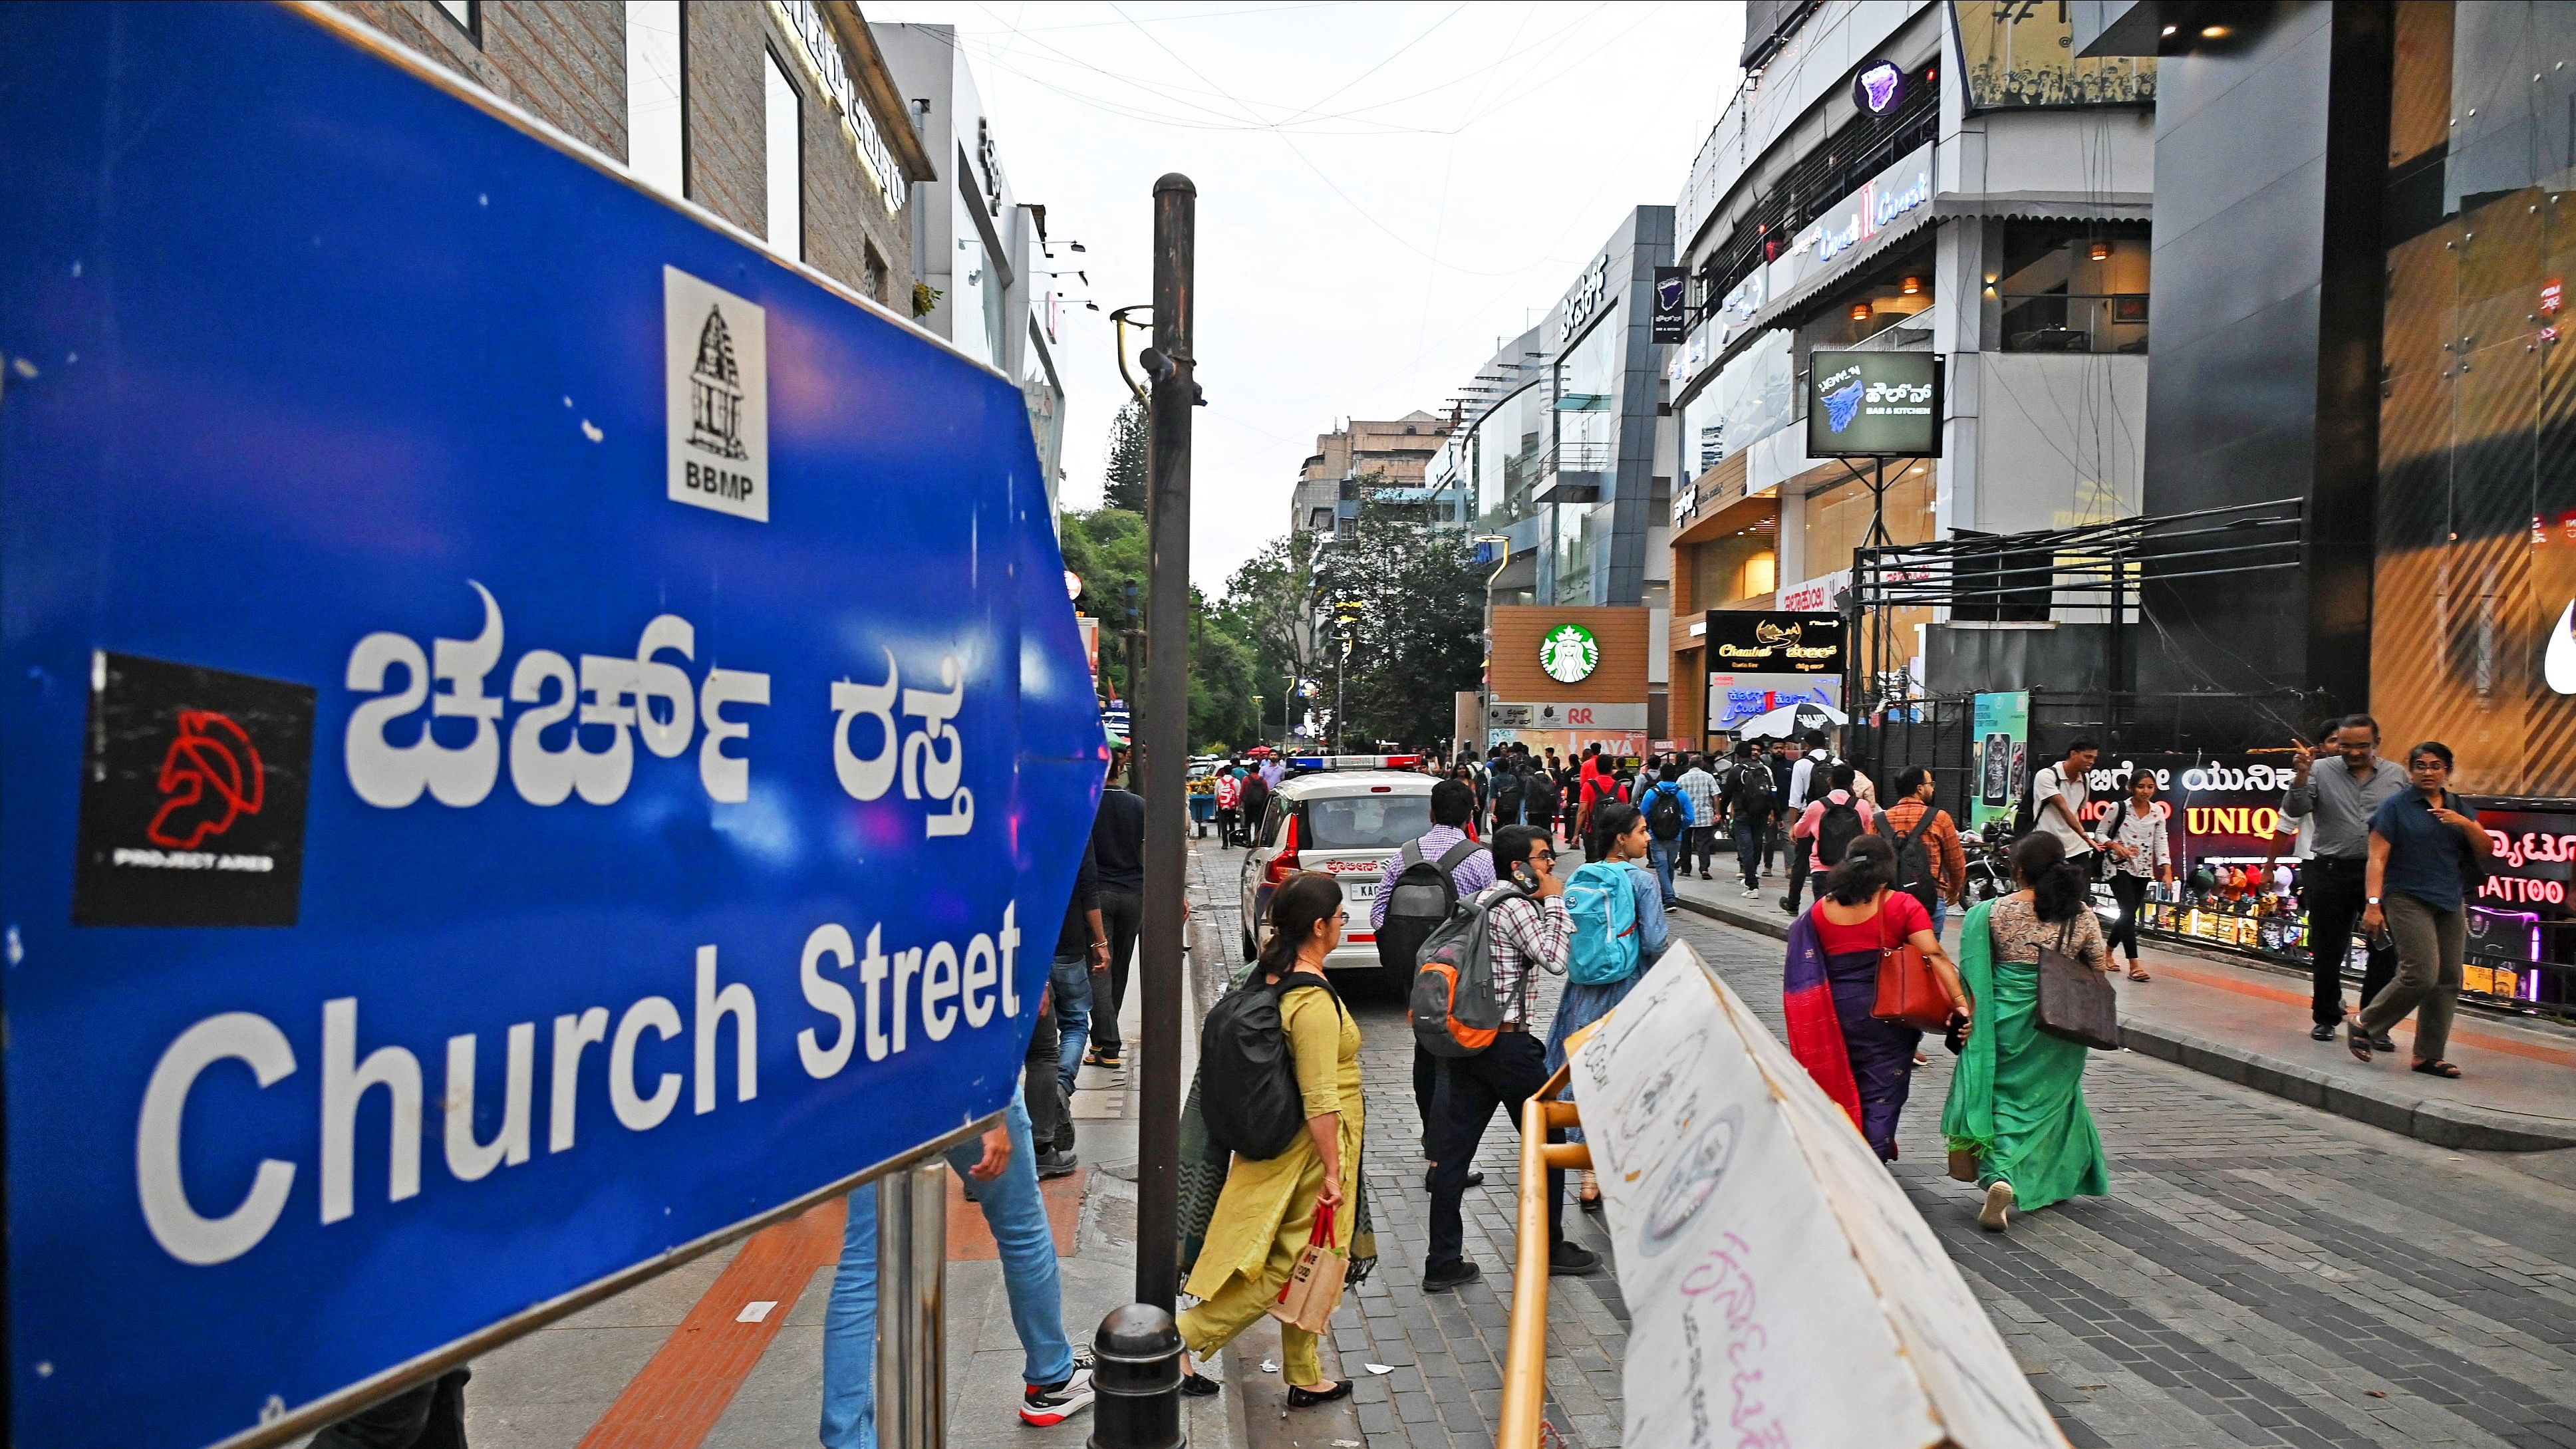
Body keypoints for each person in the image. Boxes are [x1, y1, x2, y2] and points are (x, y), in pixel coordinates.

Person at [1176, 873, 1361, 1409]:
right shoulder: (1313, 1001)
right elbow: (1320, 1096)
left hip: (1295, 1142)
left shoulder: (1269, 973)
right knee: (1284, 1265)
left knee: (1316, 1253)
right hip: (1311, 1148)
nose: (1344, 924)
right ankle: (1176, 1339)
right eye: (1341, 916)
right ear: (1320, 926)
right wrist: (1332, 1170)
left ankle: (1305, 1371)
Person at [823, 1088, 1091, 1442]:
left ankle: (847, 1438)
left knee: (863, 1268)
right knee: (1022, 1228)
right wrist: (992, 1114)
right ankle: (1051, 1376)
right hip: (963, 1079)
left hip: (876, 1087)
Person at [1423, 825, 1602, 1290]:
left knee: (1453, 1153)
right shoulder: (1518, 906)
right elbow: (1555, 958)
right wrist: (1557, 901)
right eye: (1544, 858)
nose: (1550, 867)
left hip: (1470, 1041)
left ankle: (1441, 1261)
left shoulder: (1480, 898)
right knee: (1549, 1141)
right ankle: (1550, 1246)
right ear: (1519, 866)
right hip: (1507, 1046)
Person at [1941, 833, 2114, 1232]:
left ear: (2018, 871)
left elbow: (1971, 976)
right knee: (2050, 1102)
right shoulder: (2080, 914)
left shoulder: (1990, 913)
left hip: (2004, 1020)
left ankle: (2001, 1176)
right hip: (2060, 1025)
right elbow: (2098, 972)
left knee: (2004, 1099)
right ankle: (2041, 1179)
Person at [1783, 835, 1967, 1161]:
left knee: (1844, 1081)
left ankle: (1843, 1153)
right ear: (1886, 868)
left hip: (1834, 1014)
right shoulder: (1900, 905)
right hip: (1886, 1015)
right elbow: (1935, 955)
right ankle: (1872, 1156)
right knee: (1882, 1089)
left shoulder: (1820, 911)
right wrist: (1959, 1002)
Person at [1372, 779, 1496, 1190]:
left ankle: (1433, 1148)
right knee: (1455, 1062)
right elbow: (1488, 920)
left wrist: (1411, 952)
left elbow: (1377, 915)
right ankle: (1445, 1161)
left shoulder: (1405, 856)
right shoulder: (1480, 859)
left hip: (1417, 975)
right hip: (1460, 976)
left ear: (1431, 813)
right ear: (1470, 814)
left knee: (1426, 1054)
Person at [1548, 802, 1671, 1209]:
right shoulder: (1642, 881)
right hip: (1628, 988)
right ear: (1622, 838)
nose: (1648, 837)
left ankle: (1588, 1171)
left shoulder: (1584, 876)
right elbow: (1653, 942)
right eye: (1642, 831)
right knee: (1628, 1075)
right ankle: (1627, 1166)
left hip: (1583, 992)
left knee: (1589, 1074)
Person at [2352, 741, 2493, 1077]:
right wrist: (2374, 904)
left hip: (2449, 898)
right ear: (2411, 770)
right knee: (2421, 974)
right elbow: (2377, 858)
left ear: (2448, 771)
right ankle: (2365, 1023)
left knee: (2448, 979)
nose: (2428, 772)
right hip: (2407, 897)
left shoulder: (2458, 806)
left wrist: (2465, 823)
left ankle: (2428, 1055)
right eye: (2421, 766)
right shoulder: (2396, 807)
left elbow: (2486, 849)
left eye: (2435, 766)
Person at [2283, 715, 2407, 1044]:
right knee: (2327, 948)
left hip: (2381, 874)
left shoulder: (2396, 776)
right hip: (2331, 871)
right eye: (2347, 745)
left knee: (2384, 950)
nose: (2353, 752)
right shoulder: (2321, 770)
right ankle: (2326, 1016)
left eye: (2362, 746)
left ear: (2376, 744)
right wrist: (2302, 775)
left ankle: (2373, 1023)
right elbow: (2295, 810)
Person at [1036, 836, 1109, 1174]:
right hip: (1069, 944)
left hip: (1029, 946)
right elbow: (1088, 892)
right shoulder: (1076, 830)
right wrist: (1101, 941)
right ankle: (1061, 1087)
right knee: (1077, 1022)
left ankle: (1045, 1096)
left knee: (1035, 1040)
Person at [1085, 759, 1146, 1069]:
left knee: (1099, 966)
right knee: (1119, 967)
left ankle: (1107, 1043)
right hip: (1134, 894)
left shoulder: (1087, 806)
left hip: (1098, 896)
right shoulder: (1138, 805)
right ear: (1119, 769)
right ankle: (1102, 1039)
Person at [1878, 766, 1967, 941]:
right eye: (1930, 784)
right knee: (1928, 957)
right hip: (1930, 898)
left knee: (1893, 953)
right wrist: (1954, 889)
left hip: (1891, 899)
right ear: (1920, 789)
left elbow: (1872, 861)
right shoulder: (1940, 818)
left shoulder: (1880, 820)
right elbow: (1956, 861)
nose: (1933, 788)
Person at [2100, 770, 2171, 982]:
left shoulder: (2158, 812)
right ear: (2131, 787)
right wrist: (2115, 846)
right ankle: (2134, 965)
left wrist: (2167, 869)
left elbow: (2161, 841)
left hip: (2144, 870)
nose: (2146, 791)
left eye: (2150, 787)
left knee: (2127, 914)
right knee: (2129, 913)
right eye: (2141, 786)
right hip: (2117, 867)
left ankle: (2108, 952)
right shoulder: (2118, 808)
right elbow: (2100, 833)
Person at [1789, 763, 1877, 910]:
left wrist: (1793, 829)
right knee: (1850, 910)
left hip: (1822, 868)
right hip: (1852, 868)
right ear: (1851, 782)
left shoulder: (1817, 806)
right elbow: (1870, 833)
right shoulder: (1862, 806)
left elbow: (1800, 832)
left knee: (1823, 912)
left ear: (1829, 781)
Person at [2028, 739, 2104, 874]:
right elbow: (2063, 808)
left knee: (2081, 893)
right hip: (2048, 846)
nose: (2091, 761)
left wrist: (2083, 839)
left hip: (2077, 847)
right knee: (2051, 892)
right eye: (2087, 756)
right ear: (2073, 754)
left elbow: (2078, 812)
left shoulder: (2085, 780)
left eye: (2094, 758)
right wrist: (2086, 837)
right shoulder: (2046, 775)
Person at [1782, 731, 1838, 911]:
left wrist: (1793, 827)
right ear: (1825, 743)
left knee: (1801, 861)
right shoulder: (1837, 763)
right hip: (1834, 817)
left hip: (1809, 817)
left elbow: (1795, 799)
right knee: (1834, 858)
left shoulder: (1802, 764)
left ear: (1807, 746)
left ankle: (1793, 903)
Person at [1636, 759, 1696, 907]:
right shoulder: (1681, 794)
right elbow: (1690, 817)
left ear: (1661, 775)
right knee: (1669, 866)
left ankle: (1669, 898)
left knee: (1661, 867)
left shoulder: (1651, 793)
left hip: (1656, 836)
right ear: (1675, 775)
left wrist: (1651, 827)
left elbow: (1643, 814)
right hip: (1676, 836)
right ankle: (1668, 894)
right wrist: (1680, 827)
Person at [1719, 743, 1776, 898]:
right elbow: (1771, 792)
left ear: (1738, 754)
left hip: (1743, 815)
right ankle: (1752, 874)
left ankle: (1752, 885)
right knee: (1757, 844)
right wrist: (1773, 812)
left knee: (1746, 849)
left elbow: (1727, 794)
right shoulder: (1762, 769)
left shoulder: (1737, 770)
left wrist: (1722, 812)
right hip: (1761, 813)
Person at [1677, 752, 1720, 881]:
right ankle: (1704, 868)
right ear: (1702, 764)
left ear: (1690, 765)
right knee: (1704, 844)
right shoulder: (1708, 777)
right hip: (1705, 816)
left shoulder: (1682, 779)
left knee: (1685, 844)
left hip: (1686, 816)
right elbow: (1716, 795)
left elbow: (1677, 797)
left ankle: (1685, 869)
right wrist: (1717, 813)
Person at [1213, 762, 1242, 848]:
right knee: (1232, 823)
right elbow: (1238, 794)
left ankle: (1225, 843)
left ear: (1223, 772)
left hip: (1222, 806)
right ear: (1232, 772)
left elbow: (1216, 794)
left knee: (1223, 824)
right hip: (1232, 806)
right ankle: (1232, 841)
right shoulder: (1236, 781)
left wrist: (1218, 803)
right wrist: (1238, 806)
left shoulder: (1219, 781)